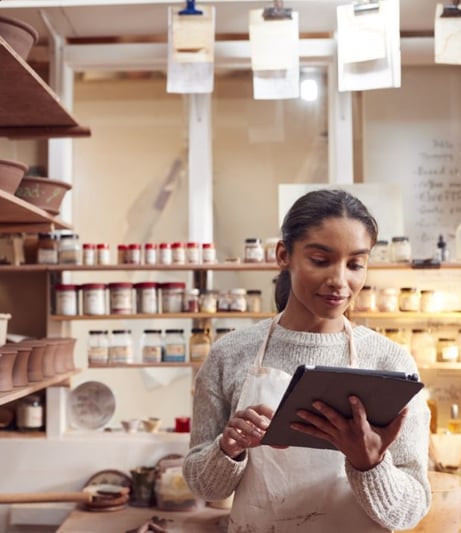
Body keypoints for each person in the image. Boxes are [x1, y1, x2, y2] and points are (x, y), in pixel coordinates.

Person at [182, 189, 431, 532]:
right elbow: (203, 488)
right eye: (320, 259)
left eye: (355, 264)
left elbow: (409, 512)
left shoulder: (390, 362)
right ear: (284, 255)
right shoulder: (230, 353)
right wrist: (229, 449)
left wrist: (369, 464)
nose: (339, 281)